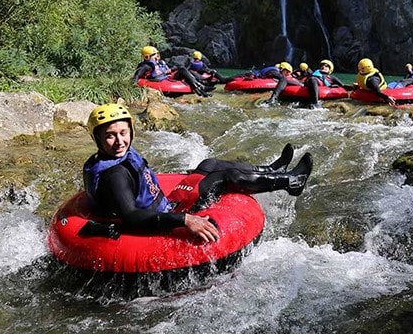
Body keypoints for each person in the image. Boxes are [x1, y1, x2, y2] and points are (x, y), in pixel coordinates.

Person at [82, 103, 313, 242]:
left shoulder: (117, 157)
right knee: (224, 177)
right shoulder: (114, 175)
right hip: (163, 217)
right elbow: (131, 217)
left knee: (209, 163)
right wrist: (185, 219)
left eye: (123, 132)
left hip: (164, 205)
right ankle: (291, 181)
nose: (120, 141)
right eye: (110, 135)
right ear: (98, 139)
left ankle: (271, 170)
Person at [132, 46, 212, 97]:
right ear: (147, 57)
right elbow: (137, 75)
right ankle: (201, 89)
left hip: (167, 78)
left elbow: (174, 67)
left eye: (157, 54)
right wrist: (134, 86)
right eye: (154, 55)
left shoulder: (160, 62)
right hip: (159, 81)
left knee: (182, 69)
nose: (157, 56)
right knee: (183, 70)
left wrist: (170, 70)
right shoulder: (146, 66)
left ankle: (200, 86)